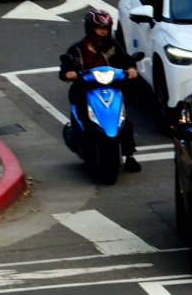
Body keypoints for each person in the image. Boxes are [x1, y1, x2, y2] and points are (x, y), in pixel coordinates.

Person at [59, 9, 141, 173]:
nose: (103, 31)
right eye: (99, 28)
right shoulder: (77, 50)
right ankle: (81, 140)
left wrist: (131, 68)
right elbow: (64, 70)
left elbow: (125, 59)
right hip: (85, 88)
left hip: (111, 86)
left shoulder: (111, 46)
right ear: (90, 28)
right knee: (81, 112)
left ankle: (129, 155)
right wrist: (69, 73)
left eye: (106, 28)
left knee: (124, 119)